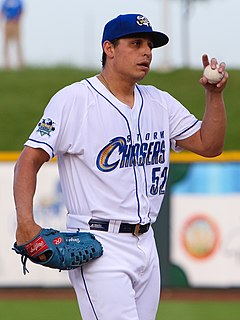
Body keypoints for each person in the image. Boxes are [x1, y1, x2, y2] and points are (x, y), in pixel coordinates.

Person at [13, 13, 228, 320]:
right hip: (100, 245)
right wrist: (25, 222)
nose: (147, 52)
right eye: (136, 43)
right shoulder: (74, 100)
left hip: (146, 243)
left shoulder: (159, 102)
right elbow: (28, 160)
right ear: (109, 49)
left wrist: (214, 95)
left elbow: (210, 145)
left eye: (150, 45)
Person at [1, 0, 24, 69]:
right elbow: (2, 12)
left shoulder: (18, 2)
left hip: (16, 23)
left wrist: (16, 19)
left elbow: (21, 11)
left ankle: (21, 64)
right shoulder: (5, 2)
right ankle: (7, 64)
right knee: (6, 44)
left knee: (18, 43)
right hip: (7, 23)